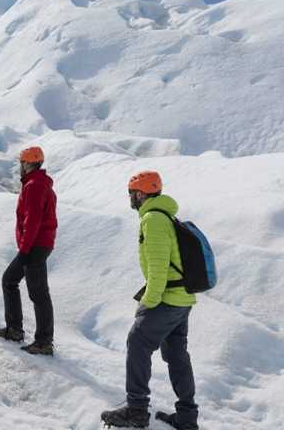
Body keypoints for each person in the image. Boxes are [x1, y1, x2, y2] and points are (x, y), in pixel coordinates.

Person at [101, 171, 199, 430]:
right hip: (182, 299)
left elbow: (158, 268)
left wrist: (148, 302)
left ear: (141, 193)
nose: (131, 198)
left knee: (137, 342)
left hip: (167, 299)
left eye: (131, 193)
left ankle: (136, 410)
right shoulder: (166, 215)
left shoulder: (153, 220)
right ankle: (187, 418)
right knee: (176, 354)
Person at [0, 147, 57, 356]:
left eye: (21, 163)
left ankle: (43, 341)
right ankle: (15, 329)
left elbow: (33, 220)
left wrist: (25, 248)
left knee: (37, 292)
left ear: (27, 164)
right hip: (38, 244)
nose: (20, 167)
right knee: (12, 281)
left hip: (34, 246)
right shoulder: (38, 184)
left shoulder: (34, 186)